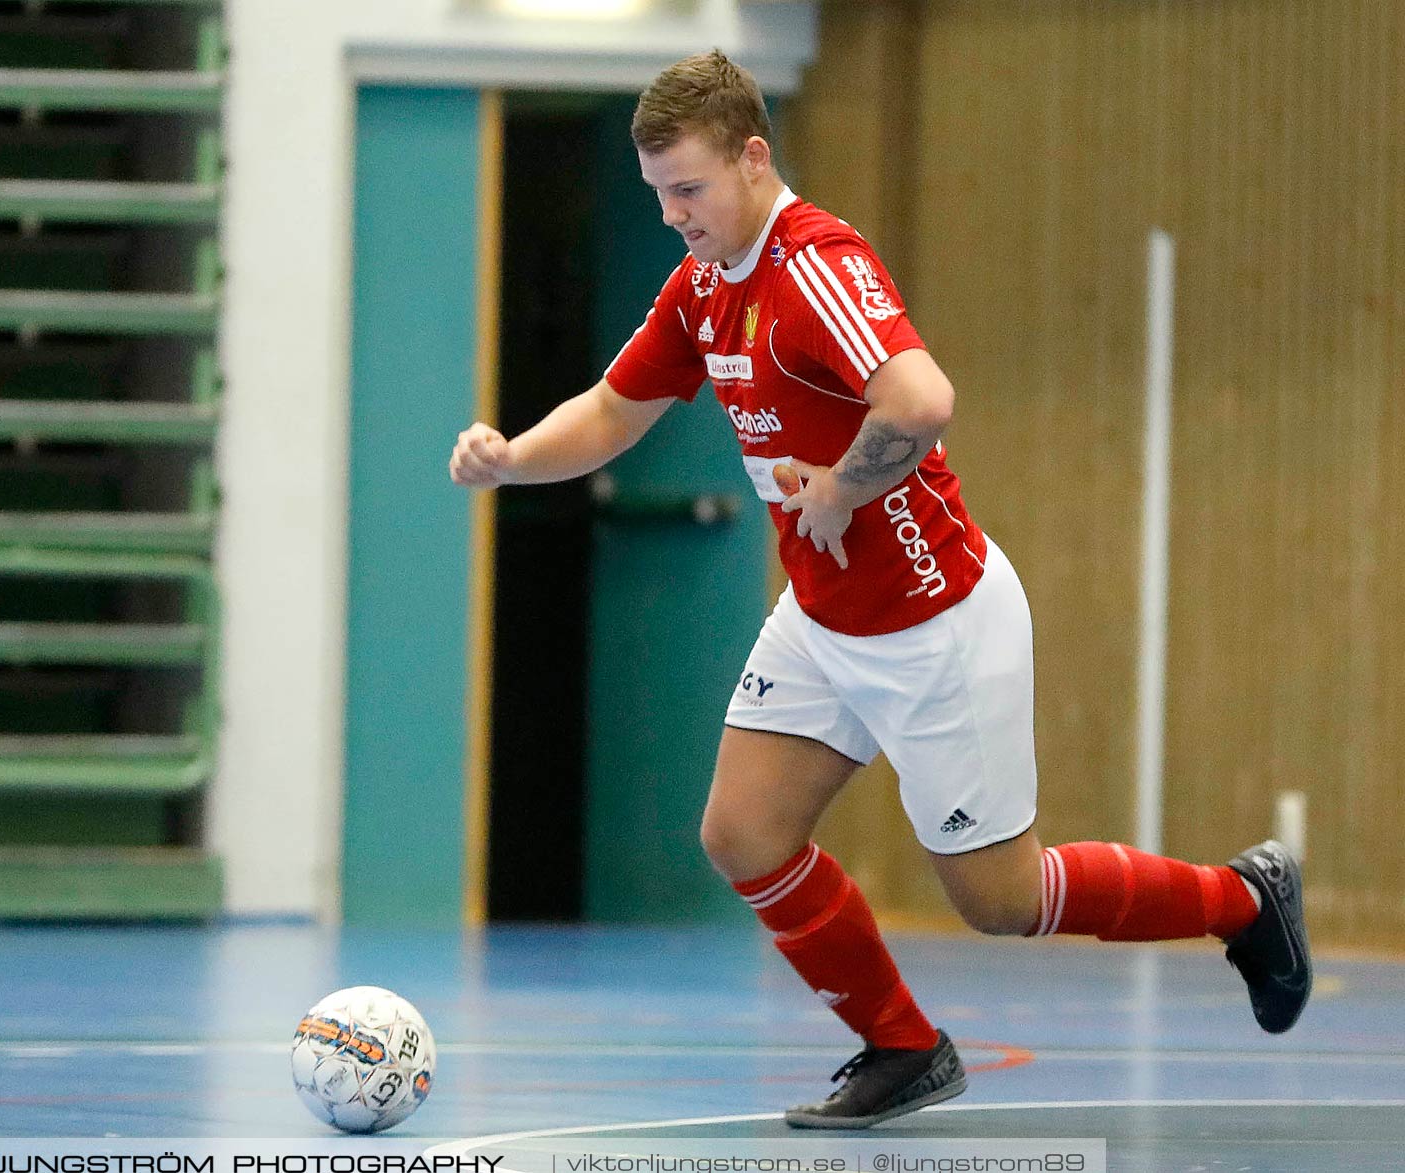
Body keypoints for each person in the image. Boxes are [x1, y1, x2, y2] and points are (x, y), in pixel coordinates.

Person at [448, 50, 1309, 1129]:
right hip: (824, 619)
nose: (673, 216)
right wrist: (510, 456)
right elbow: (617, 411)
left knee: (1002, 901)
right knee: (742, 835)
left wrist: (846, 490)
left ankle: (1244, 898)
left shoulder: (814, 266)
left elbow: (921, 400)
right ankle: (901, 1047)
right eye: (658, 194)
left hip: (937, 623)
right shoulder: (706, 284)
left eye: (689, 190)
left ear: (753, 160)